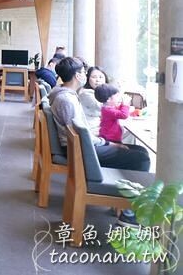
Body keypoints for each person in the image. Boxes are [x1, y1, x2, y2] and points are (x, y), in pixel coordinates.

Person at [49, 57, 149, 226]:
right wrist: (108, 143)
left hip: (80, 146)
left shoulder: (64, 95)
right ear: (77, 76)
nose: (85, 75)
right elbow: (80, 133)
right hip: (79, 150)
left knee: (140, 151)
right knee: (141, 159)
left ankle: (123, 204)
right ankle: (129, 213)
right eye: (83, 72)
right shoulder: (67, 100)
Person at [78, 66, 108, 132]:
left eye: (101, 77)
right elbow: (105, 108)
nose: (98, 80)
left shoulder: (99, 92)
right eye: (94, 77)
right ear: (87, 78)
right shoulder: (85, 94)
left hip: (98, 126)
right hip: (93, 130)